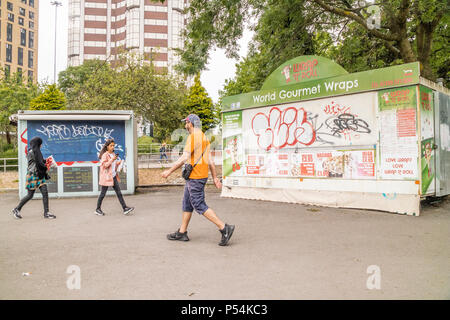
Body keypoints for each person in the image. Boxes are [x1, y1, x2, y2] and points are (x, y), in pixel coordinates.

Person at [162, 114, 235, 246]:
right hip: (198, 177)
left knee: (199, 204)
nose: (185, 126)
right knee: (187, 203)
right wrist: (214, 177)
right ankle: (182, 232)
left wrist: (169, 171)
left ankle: (224, 228)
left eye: (186, 123)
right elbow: (211, 161)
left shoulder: (193, 137)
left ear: (190, 123)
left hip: (195, 178)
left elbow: (184, 157)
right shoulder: (204, 137)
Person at [11, 137, 56, 219]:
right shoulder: (32, 152)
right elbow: (40, 163)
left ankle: (46, 213)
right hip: (32, 175)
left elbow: (40, 162)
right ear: (37, 144)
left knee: (45, 192)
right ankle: (16, 209)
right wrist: (47, 165)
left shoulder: (36, 152)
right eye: (40, 143)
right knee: (30, 195)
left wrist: (48, 161)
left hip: (39, 175)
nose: (41, 145)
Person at [95, 139, 134, 216]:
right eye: (111, 146)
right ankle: (97, 209)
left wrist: (117, 163)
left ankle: (125, 208)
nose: (113, 147)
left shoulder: (113, 154)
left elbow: (112, 166)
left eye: (113, 146)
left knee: (119, 193)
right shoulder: (105, 155)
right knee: (103, 194)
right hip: (107, 177)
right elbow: (105, 165)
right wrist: (113, 159)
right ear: (107, 147)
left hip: (113, 176)